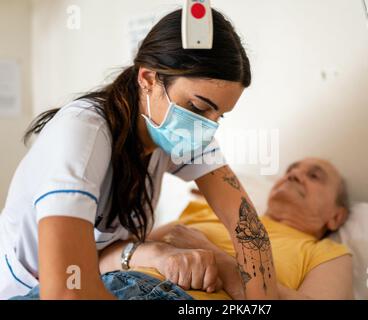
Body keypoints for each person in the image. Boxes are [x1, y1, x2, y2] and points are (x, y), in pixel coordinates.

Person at [0, 9, 277, 300]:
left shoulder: (181, 131)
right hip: (23, 289)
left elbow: (248, 230)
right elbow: (66, 292)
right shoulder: (83, 134)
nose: (206, 127)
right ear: (148, 78)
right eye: (198, 108)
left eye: (218, 116)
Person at [100, 158, 354, 300]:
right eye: (290, 171)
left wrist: (217, 258)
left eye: (314, 176)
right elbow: (97, 259)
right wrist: (159, 255)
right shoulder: (207, 210)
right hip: (107, 287)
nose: (293, 175)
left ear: (336, 216)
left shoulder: (327, 253)